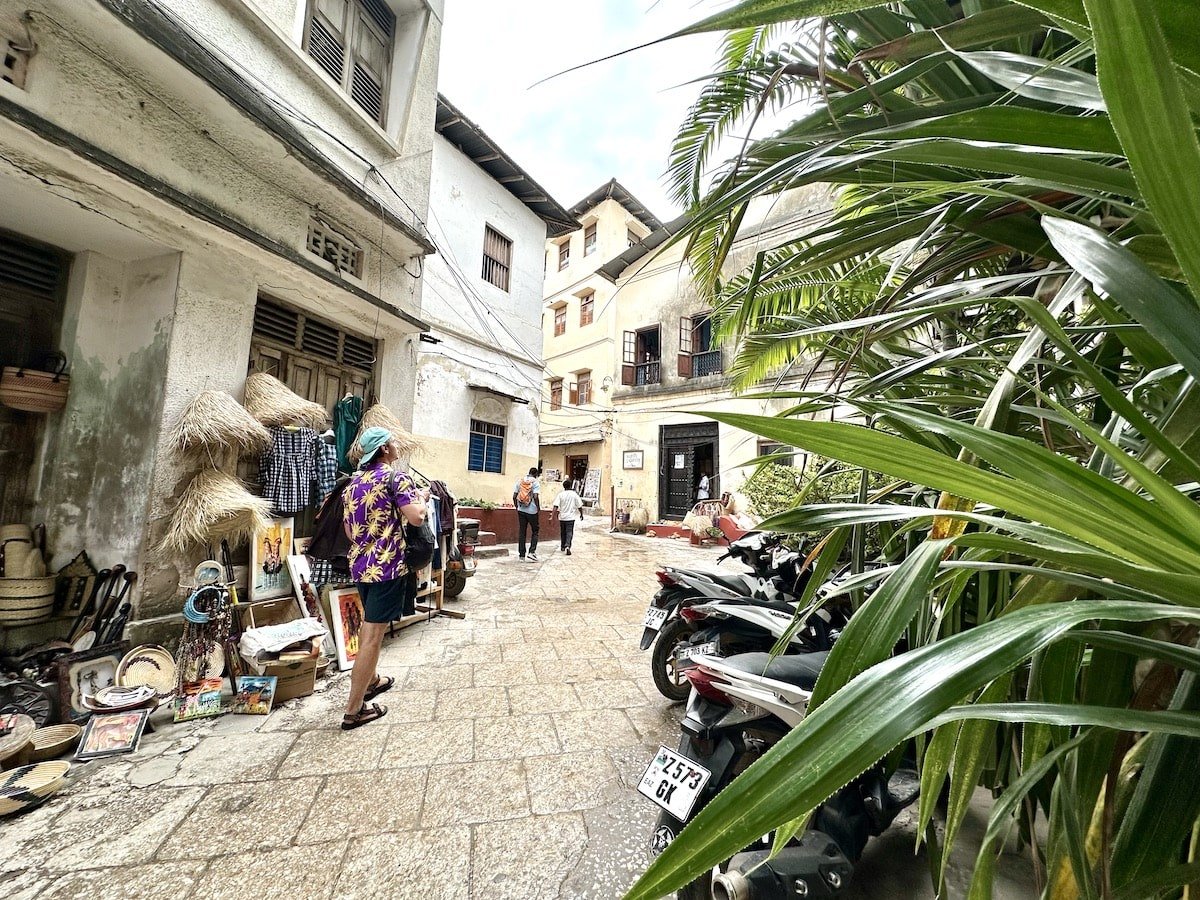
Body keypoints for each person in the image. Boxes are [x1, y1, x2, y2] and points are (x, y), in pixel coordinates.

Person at [340, 426, 426, 730]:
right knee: (374, 637)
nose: (396, 445)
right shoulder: (396, 478)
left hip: (361, 566)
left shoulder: (352, 484)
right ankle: (354, 710)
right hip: (387, 567)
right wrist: (423, 502)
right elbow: (416, 517)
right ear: (384, 450)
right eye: (392, 442)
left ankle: (372, 680)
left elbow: (350, 532)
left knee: (368, 627)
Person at [513, 466, 541, 561]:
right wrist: (538, 507)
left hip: (521, 510)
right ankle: (532, 552)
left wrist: (517, 507)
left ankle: (521, 555)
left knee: (522, 532)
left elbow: (514, 495)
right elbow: (536, 496)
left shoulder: (521, 481)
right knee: (535, 530)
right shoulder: (535, 483)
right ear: (536, 474)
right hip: (532, 511)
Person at [552, 478, 583, 555]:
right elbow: (579, 505)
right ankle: (568, 546)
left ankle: (563, 546)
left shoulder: (560, 495)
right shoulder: (574, 494)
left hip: (562, 517)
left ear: (564, 486)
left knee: (563, 532)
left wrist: (552, 515)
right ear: (570, 486)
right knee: (569, 532)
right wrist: (581, 514)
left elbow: (555, 506)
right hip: (571, 517)